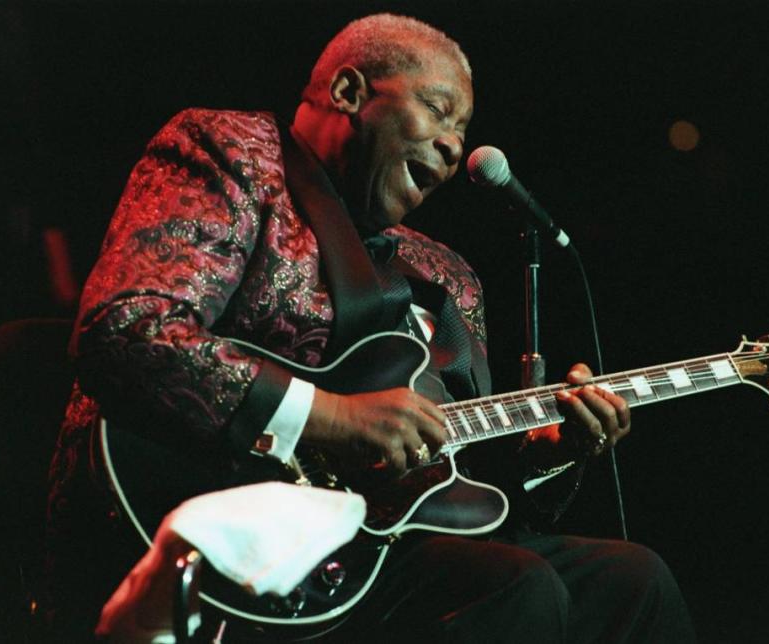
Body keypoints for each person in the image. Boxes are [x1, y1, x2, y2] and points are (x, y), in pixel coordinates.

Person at [46, 13, 695, 643]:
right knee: (514, 586)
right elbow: (126, 328)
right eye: (439, 111)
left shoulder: (446, 273)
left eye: (462, 133)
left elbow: (464, 471)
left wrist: (547, 454)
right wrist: (330, 415)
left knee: (635, 580)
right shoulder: (232, 155)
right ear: (350, 92)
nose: (453, 146)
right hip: (217, 521)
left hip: (394, 540)